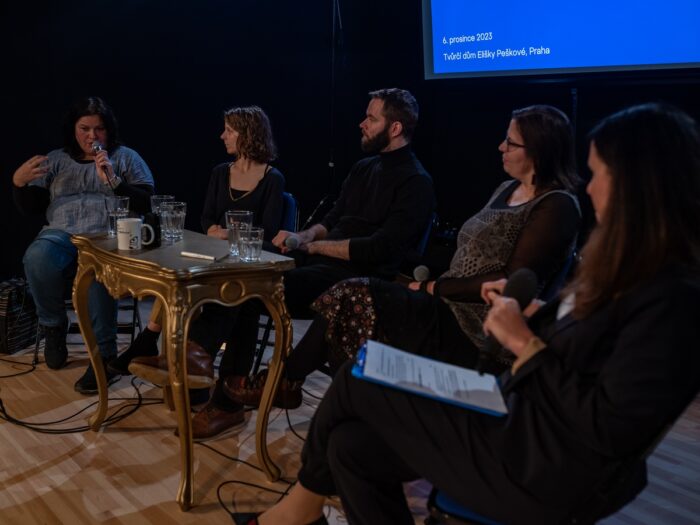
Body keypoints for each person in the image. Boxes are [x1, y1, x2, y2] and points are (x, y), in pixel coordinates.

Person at [231, 102, 700, 525]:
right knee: (352, 445)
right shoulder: (628, 272)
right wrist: (539, 317)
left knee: (360, 379)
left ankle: (294, 514)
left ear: (640, 185)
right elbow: (581, 352)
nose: (591, 187)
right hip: (512, 406)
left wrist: (524, 340)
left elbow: (604, 427)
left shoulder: (673, 300)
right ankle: (299, 510)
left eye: (600, 174)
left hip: (538, 459)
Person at [228, 104, 581, 409]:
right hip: (445, 304)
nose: (501, 146)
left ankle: (288, 382)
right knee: (329, 304)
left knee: (353, 293)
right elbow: (334, 217)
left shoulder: (557, 206)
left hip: (477, 327)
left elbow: (511, 283)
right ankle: (309, 393)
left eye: (511, 142)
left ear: (540, 150)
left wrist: (431, 288)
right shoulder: (506, 188)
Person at [130, 88, 436, 441]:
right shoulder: (364, 167)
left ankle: (212, 380)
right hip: (319, 261)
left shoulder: (416, 182)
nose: (361, 123)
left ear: (395, 128)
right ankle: (205, 370)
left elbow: (379, 250)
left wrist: (316, 246)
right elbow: (333, 218)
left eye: (371, 118)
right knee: (243, 277)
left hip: (356, 280)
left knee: (250, 290)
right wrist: (303, 236)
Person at [109, 106, 285, 408]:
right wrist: (217, 232)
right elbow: (206, 218)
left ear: (247, 134)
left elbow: (266, 233)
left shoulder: (273, 179)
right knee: (175, 277)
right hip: (214, 255)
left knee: (225, 299)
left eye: (229, 130)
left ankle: (163, 351)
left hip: (248, 264)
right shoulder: (220, 172)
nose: (222, 136)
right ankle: (177, 364)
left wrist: (226, 233)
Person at [12, 96, 154, 395]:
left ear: (108, 130)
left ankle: (104, 354)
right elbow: (32, 207)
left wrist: (114, 181)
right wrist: (18, 184)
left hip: (108, 236)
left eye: (99, 129)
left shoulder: (126, 157)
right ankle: (53, 327)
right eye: (85, 129)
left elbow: (147, 203)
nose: (92, 136)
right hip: (62, 233)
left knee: (99, 272)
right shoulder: (57, 160)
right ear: (73, 130)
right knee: (37, 257)